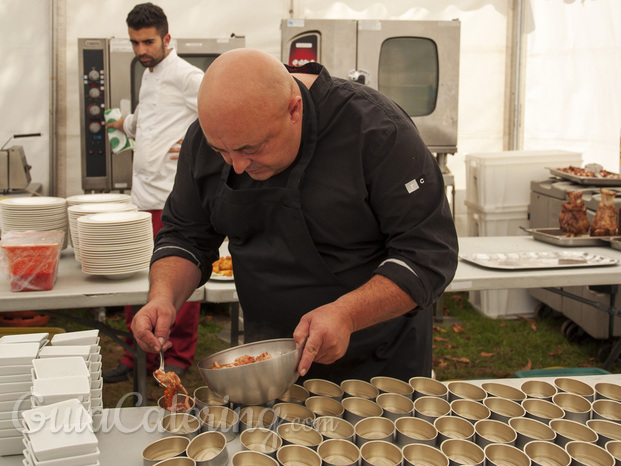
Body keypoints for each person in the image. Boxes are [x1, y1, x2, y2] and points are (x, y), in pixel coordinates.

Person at [131, 48, 458, 383]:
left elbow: (427, 255)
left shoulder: (377, 132)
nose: (237, 165)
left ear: (294, 110)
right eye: (221, 152)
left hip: (380, 366)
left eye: (251, 149)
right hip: (270, 363)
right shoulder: (210, 137)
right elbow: (185, 234)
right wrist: (164, 297)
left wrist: (346, 314)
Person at [103, 2, 204, 383]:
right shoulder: (150, 75)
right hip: (141, 198)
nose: (141, 50)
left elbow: (220, 107)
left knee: (176, 278)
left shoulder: (185, 74)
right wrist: (123, 122)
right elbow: (149, 120)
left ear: (167, 38)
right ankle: (136, 356)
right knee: (137, 278)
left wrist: (202, 140)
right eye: (135, 43)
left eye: (148, 41)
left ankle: (178, 355)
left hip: (171, 200)